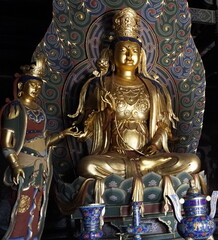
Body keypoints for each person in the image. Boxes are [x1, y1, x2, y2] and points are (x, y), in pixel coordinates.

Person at [69, 8, 201, 203]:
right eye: (123, 50)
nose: (130, 55)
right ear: (111, 55)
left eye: (135, 51)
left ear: (142, 56)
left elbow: (163, 125)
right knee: (87, 166)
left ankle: (143, 169)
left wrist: (155, 145)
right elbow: (89, 127)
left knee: (192, 162)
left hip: (148, 157)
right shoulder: (100, 85)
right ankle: (144, 174)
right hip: (114, 156)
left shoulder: (154, 89)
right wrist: (104, 114)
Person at [0, 54, 78, 240]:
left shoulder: (40, 111)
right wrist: (15, 165)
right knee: (22, 203)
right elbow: (6, 142)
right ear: (21, 86)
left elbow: (45, 141)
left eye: (39, 86)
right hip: (24, 161)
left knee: (37, 205)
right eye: (32, 84)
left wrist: (64, 134)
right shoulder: (16, 108)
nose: (36, 89)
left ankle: (31, 235)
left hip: (41, 165)